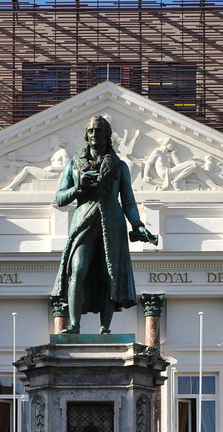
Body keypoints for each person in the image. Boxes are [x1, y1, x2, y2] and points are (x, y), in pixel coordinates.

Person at [51, 115, 157, 334]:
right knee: (78, 269)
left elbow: (128, 200)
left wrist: (137, 225)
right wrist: (79, 188)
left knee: (110, 273)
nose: (93, 135)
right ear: (86, 135)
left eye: (98, 131)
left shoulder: (119, 166)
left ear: (108, 136)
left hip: (112, 222)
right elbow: (60, 198)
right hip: (84, 221)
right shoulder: (73, 163)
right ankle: (74, 325)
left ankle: (105, 328)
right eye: (90, 131)